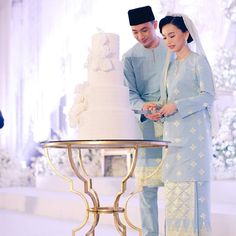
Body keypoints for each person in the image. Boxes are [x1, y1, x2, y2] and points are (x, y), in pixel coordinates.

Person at [156, 14, 215, 235]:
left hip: (194, 141)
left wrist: (177, 105)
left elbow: (208, 96)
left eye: (172, 35)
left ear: (186, 34)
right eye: (164, 37)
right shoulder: (169, 67)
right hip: (173, 139)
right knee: (174, 193)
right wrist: (158, 111)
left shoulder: (198, 61)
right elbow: (167, 102)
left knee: (193, 191)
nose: (168, 41)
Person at [122, 5, 168, 236]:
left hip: (173, 121)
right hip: (146, 127)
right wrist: (143, 107)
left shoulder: (172, 48)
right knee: (147, 186)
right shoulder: (129, 57)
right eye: (135, 32)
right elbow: (129, 94)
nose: (140, 36)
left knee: (174, 184)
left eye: (144, 30)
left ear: (155, 25)